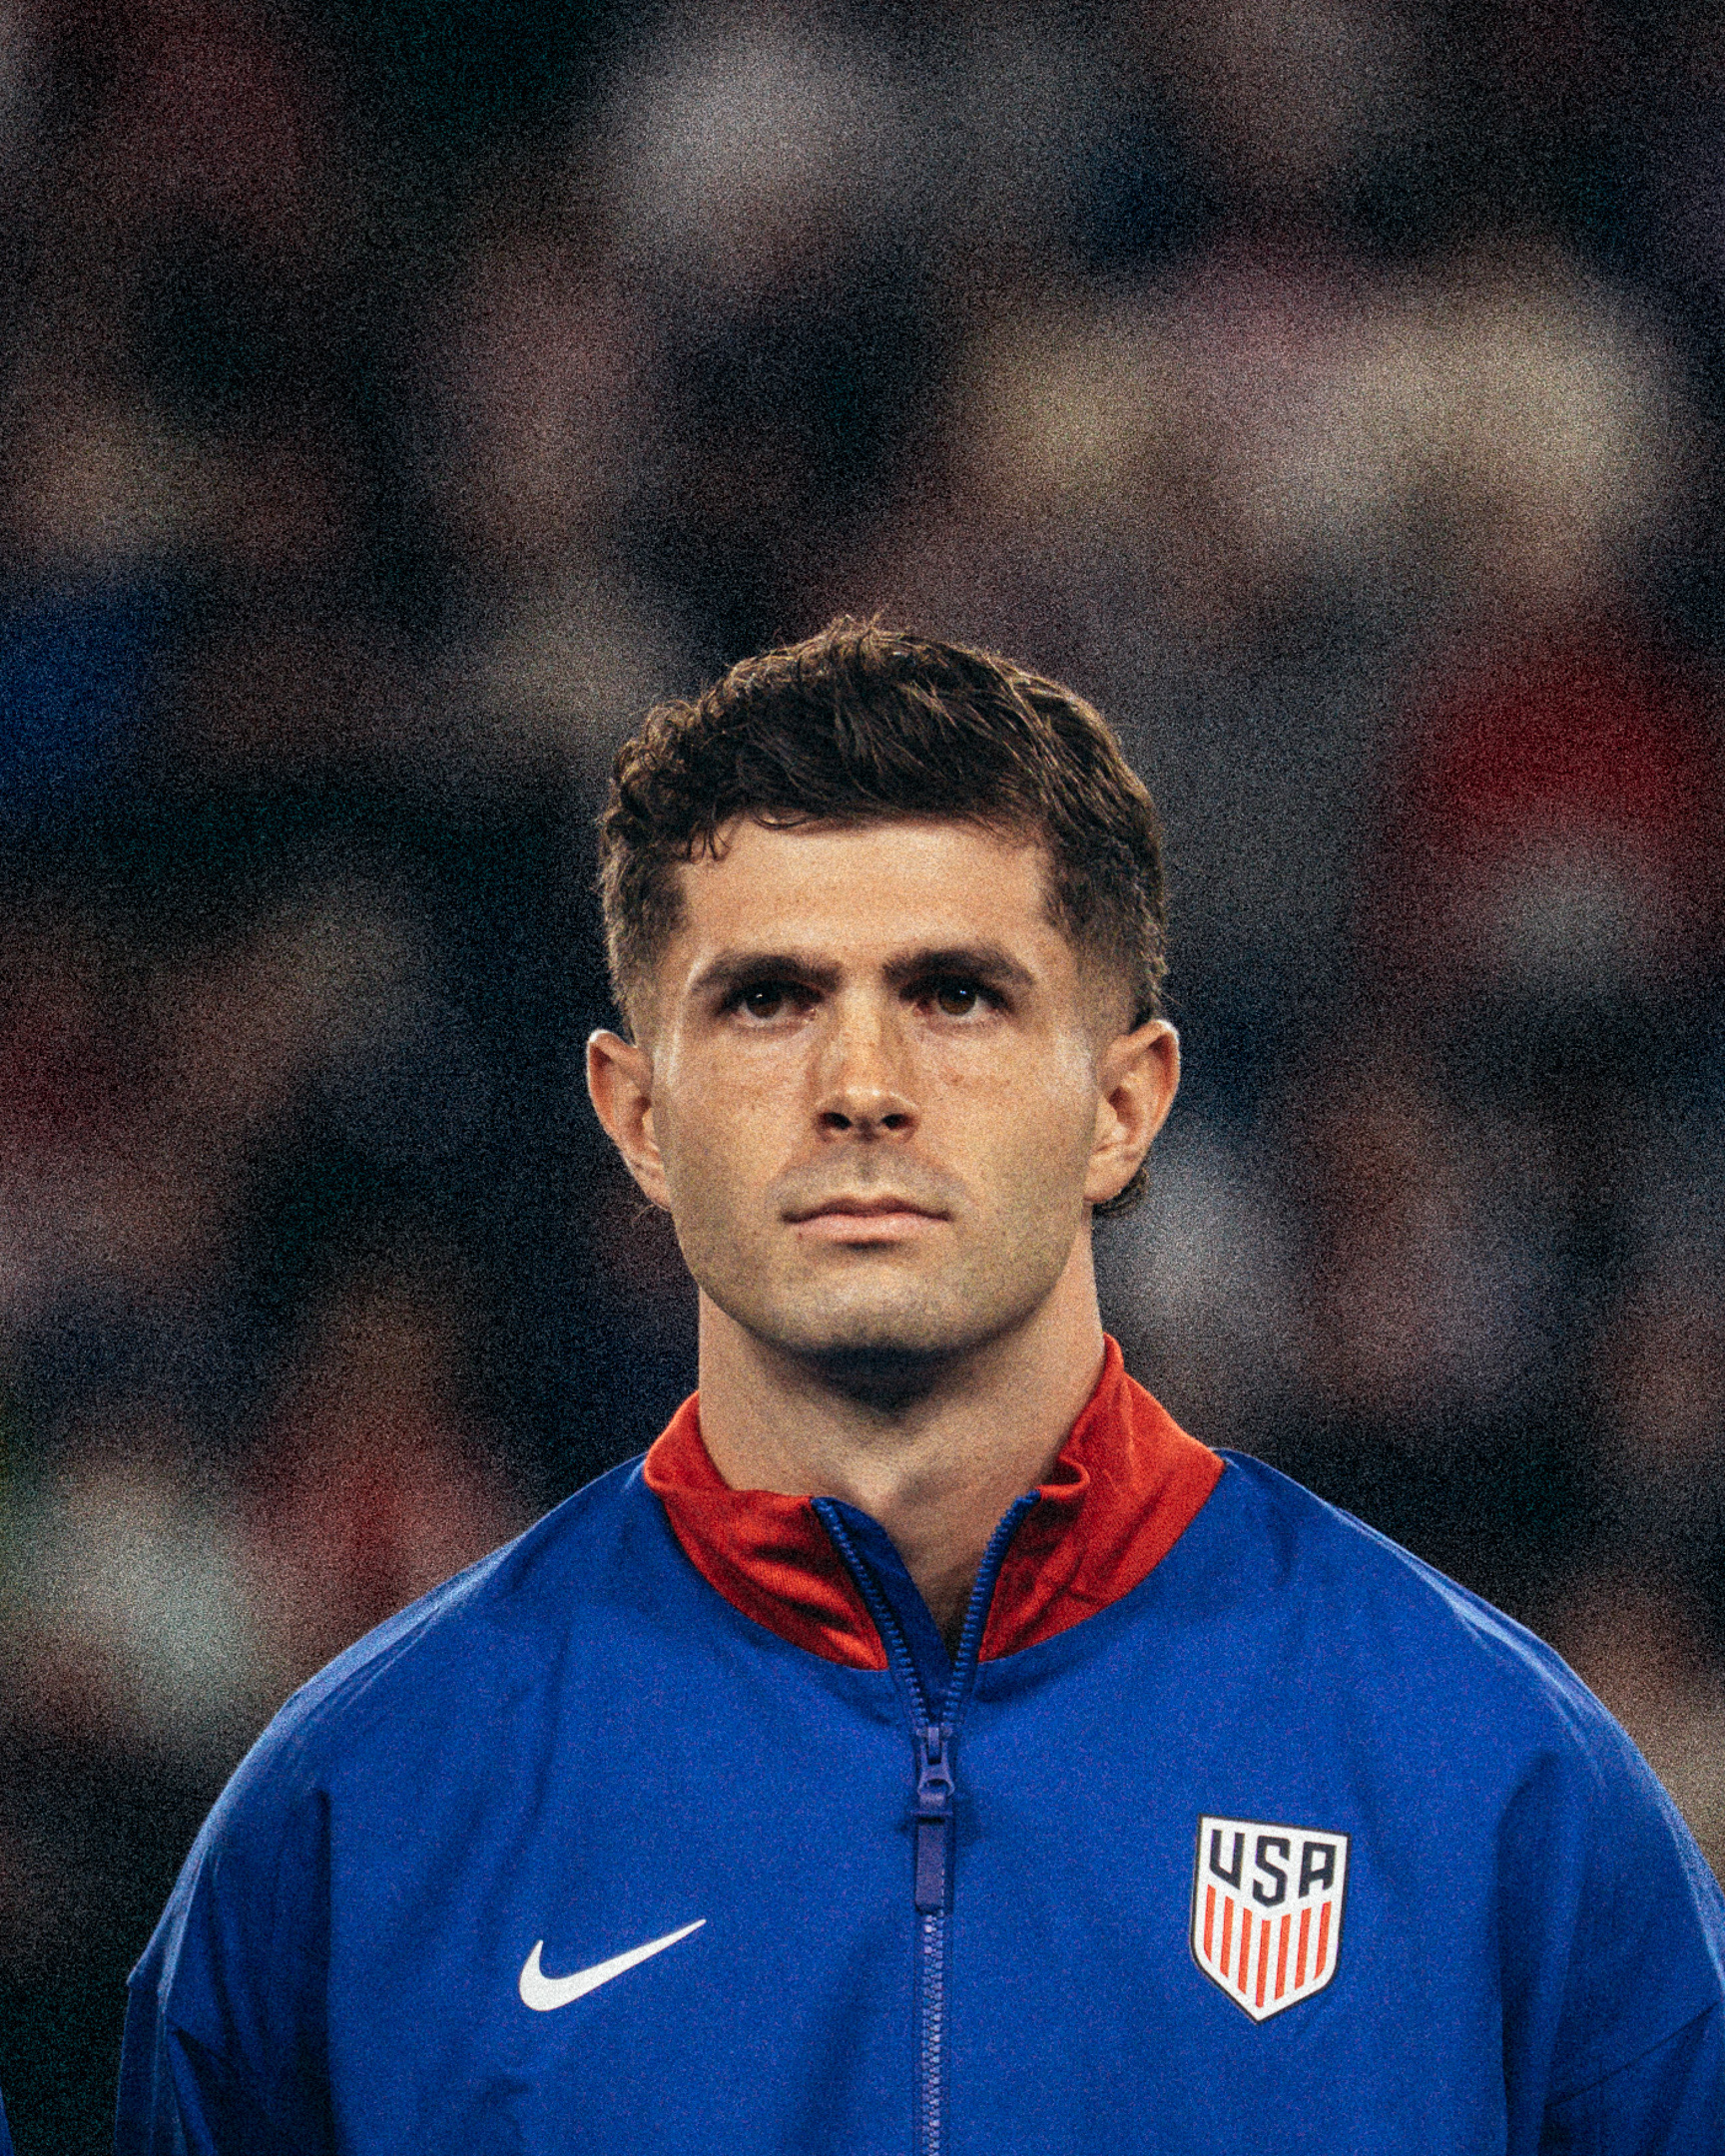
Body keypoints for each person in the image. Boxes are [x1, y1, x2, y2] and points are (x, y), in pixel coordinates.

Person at [117, 621, 1725, 2153]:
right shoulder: (356, 1819)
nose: (863, 1088)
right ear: (637, 1118)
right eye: (768, 999)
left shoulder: (1501, 1785)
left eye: (956, 993)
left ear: (1124, 1105)